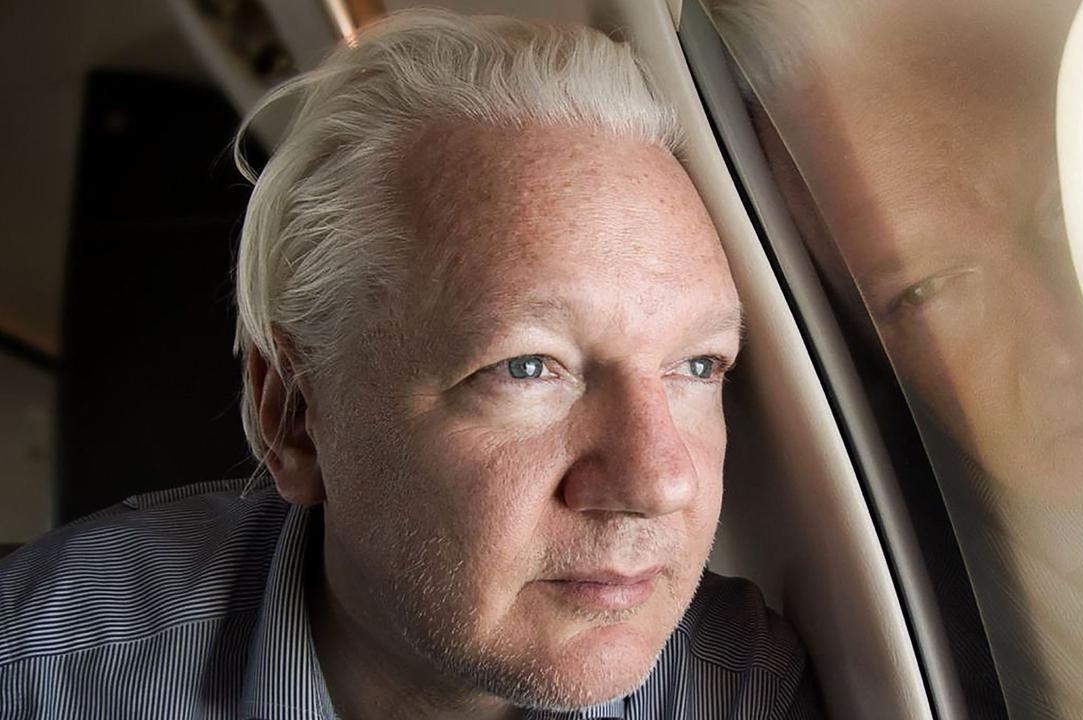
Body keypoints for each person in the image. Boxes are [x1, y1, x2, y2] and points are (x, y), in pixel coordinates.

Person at [0, 9, 821, 719]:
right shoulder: (31, 673)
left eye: (699, 366)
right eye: (529, 367)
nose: (658, 483)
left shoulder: (747, 692)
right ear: (294, 416)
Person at [707, 0, 1083, 717]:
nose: (1065, 344)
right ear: (858, 343)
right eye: (926, 291)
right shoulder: (933, 635)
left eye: (1070, 210)